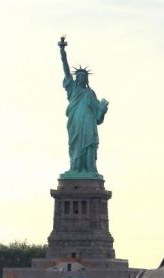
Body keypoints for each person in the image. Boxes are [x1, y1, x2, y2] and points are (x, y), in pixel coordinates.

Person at [59, 38, 109, 178]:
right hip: (75, 122)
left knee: (89, 145)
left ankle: (90, 170)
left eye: (83, 77)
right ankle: (75, 169)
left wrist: (103, 108)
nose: (81, 78)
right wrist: (62, 52)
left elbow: (98, 116)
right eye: (79, 76)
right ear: (76, 79)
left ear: (86, 79)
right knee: (75, 145)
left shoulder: (90, 93)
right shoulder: (72, 89)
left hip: (88, 123)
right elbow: (66, 70)